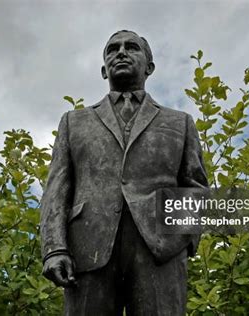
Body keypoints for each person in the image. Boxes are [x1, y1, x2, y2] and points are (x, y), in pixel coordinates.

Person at [40, 30, 208, 315]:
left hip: (160, 251)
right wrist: (55, 248)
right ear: (104, 70)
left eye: (131, 48)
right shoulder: (74, 122)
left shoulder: (180, 122)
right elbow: (56, 190)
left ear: (149, 67)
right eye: (112, 49)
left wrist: (180, 242)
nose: (120, 53)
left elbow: (196, 188)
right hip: (88, 250)